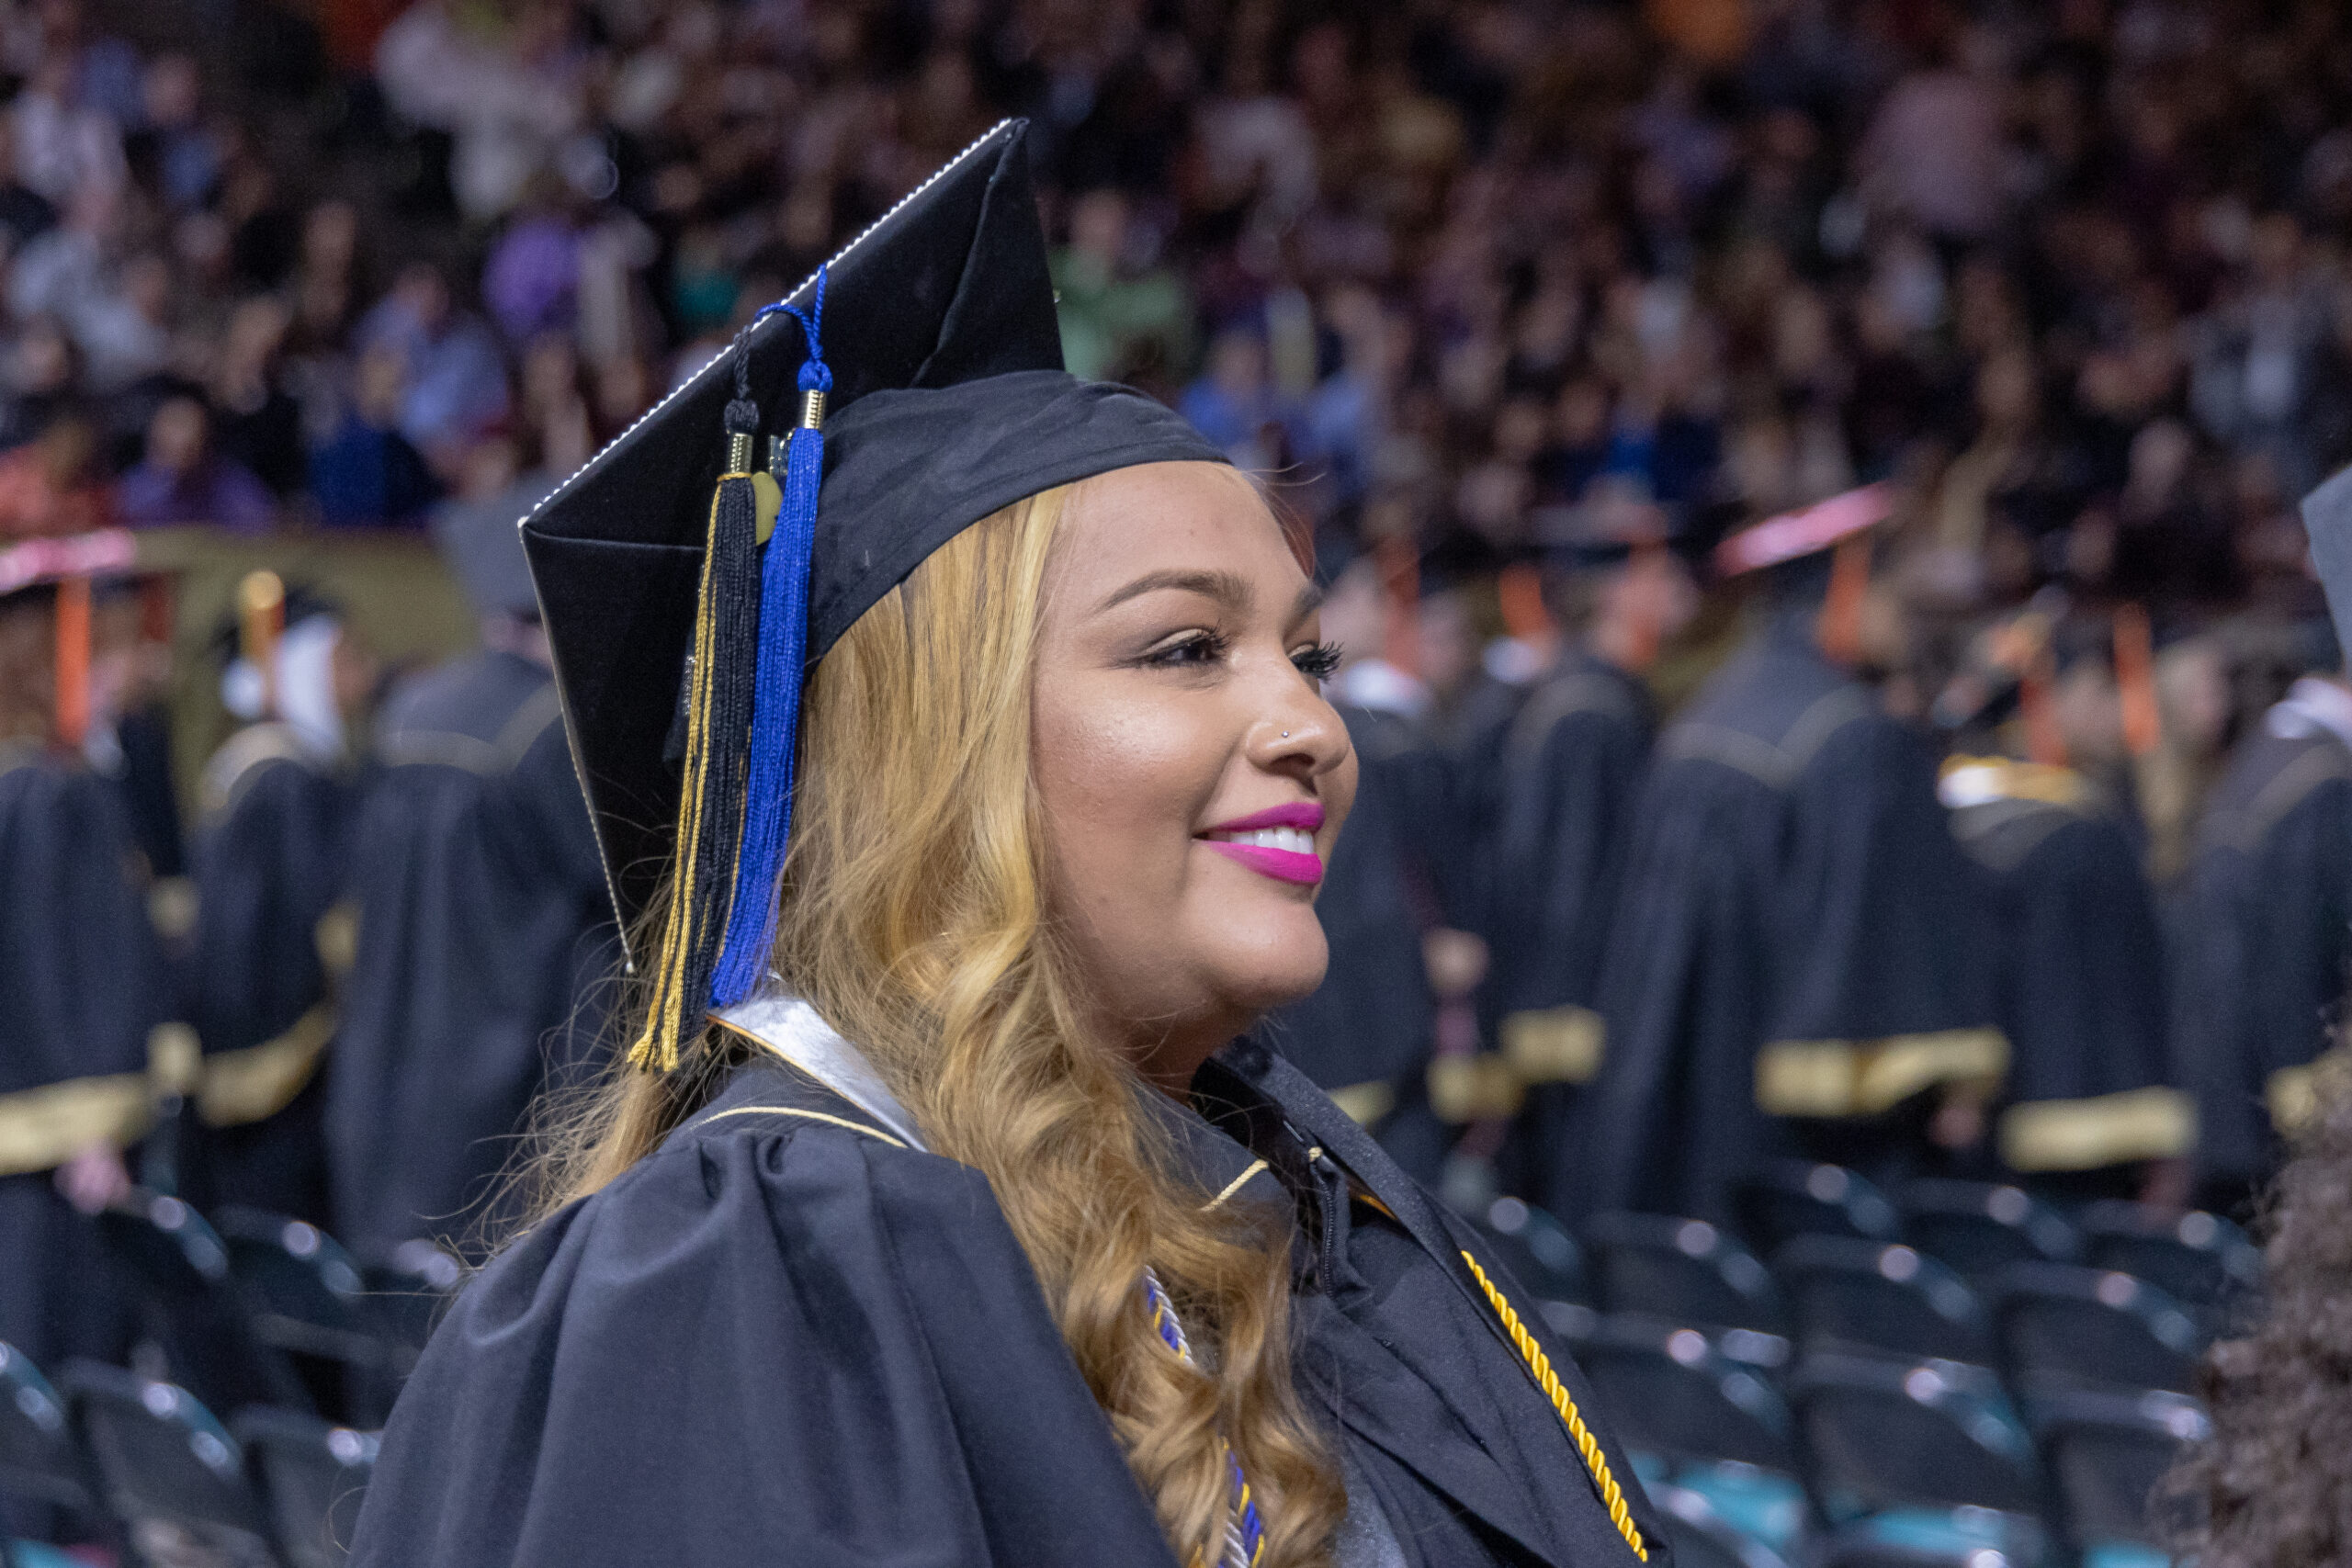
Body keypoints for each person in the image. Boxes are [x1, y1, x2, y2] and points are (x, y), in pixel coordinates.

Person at [351, 122, 1664, 1568]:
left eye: (1311, 653)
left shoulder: (1288, 1191)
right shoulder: (745, 1286)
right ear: (939, 747)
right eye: (1184, 646)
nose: (1310, 726)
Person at [1575, 488, 2000, 1223]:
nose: (1905, 622)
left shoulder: (1700, 714)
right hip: (1793, 1178)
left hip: (1668, 1155)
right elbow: (1876, 1005)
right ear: (1849, 585)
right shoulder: (1854, 741)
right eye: (1894, 594)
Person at [323, 443, 613, 1265]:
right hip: (497, 1096)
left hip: (383, 1077)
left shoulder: (408, 710)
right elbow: (615, 906)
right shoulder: (549, 732)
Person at [1483, 501, 1696, 1217]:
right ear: (1616, 591)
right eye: (1662, 574)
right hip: (1581, 1029)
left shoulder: (1583, 695)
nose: (1681, 590)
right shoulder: (1590, 714)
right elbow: (1575, 888)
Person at [2175, 464, 2352, 1214]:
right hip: (2303, 1178)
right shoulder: (2325, 792)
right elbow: (2311, 1012)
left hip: (2233, 1148)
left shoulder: (2266, 763)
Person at [182, 575, 371, 1224]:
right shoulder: (290, 779)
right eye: (345, 658)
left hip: (230, 1057)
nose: (361, 679)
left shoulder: (238, 763)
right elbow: (329, 925)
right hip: (292, 1067)